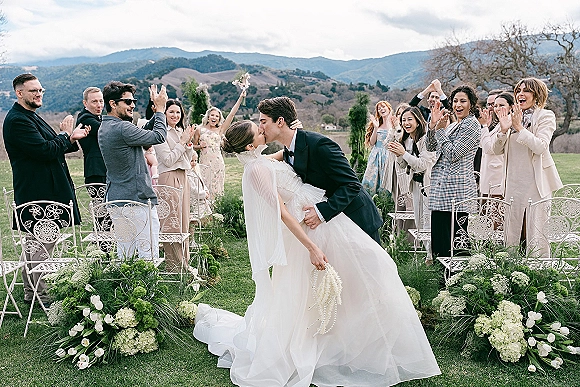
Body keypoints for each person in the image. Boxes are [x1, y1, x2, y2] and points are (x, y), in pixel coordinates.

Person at [194, 120, 441, 386]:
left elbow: (283, 156)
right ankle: (331, 342)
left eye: (262, 124)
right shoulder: (255, 170)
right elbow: (283, 214)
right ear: (252, 144)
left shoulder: (259, 159)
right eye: (258, 129)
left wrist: (292, 134)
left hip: (321, 214)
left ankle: (358, 336)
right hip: (308, 225)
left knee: (370, 265)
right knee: (326, 283)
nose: (262, 129)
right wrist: (311, 247)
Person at [3, 73, 89, 305]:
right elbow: (44, 150)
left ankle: (32, 294)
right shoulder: (18, 120)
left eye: (41, 90)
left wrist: (69, 138)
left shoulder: (31, 116)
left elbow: (54, 147)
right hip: (38, 192)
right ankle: (41, 295)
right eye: (33, 91)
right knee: (41, 246)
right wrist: (65, 136)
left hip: (44, 190)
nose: (39, 94)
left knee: (36, 245)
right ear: (19, 93)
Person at [257, 96, 383, 245]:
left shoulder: (319, 144)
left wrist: (321, 211)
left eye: (263, 122)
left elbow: (352, 184)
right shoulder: (289, 150)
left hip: (357, 218)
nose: (260, 128)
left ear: (280, 121)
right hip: (334, 227)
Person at [491, 77, 563, 256]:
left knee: (536, 233)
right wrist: (502, 130)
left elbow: (540, 146)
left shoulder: (546, 116)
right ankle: (513, 273)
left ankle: (539, 274)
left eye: (526, 91)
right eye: (518, 91)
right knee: (513, 235)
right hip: (513, 184)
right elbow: (495, 149)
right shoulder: (509, 117)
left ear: (537, 95)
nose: (520, 94)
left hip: (535, 183)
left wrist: (520, 128)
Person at [98, 81, 168, 260]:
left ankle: (125, 287)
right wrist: (160, 110)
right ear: (113, 104)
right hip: (136, 201)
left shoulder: (105, 126)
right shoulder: (122, 128)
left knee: (125, 252)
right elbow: (159, 136)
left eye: (134, 101)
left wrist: (154, 114)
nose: (133, 105)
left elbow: (141, 135)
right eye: (128, 102)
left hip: (116, 200)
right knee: (148, 251)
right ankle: (148, 288)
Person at [427, 84, 482, 258]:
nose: (458, 104)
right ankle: (440, 279)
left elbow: (453, 153)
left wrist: (441, 132)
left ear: (471, 104)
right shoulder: (452, 125)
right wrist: (434, 126)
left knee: (456, 242)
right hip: (441, 191)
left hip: (457, 192)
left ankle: (456, 280)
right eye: (455, 101)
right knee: (439, 240)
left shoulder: (472, 125)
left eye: (463, 101)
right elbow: (430, 146)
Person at [388, 106, 436, 263]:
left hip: (429, 186)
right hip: (415, 184)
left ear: (418, 120)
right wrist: (399, 155)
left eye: (410, 119)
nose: (406, 123)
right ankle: (428, 256)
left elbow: (422, 164)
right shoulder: (407, 139)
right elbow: (403, 165)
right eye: (403, 120)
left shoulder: (426, 138)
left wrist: (404, 154)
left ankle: (431, 256)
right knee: (419, 220)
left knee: (428, 220)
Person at [153, 99, 196, 272]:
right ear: (164, 114)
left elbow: (187, 156)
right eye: (171, 112)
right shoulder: (160, 133)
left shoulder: (180, 131)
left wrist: (189, 144)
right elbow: (168, 159)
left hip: (183, 175)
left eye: (178, 112)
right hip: (169, 177)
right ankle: (173, 265)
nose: (175, 115)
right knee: (172, 222)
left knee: (184, 221)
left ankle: (184, 263)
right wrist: (182, 142)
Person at [196, 89, 246, 201]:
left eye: (217, 116)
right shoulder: (199, 129)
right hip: (204, 163)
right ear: (208, 117)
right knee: (204, 188)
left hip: (217, 163)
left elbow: (232, 114)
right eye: (212, 115)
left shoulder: (220, 129)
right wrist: (199, 146)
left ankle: (216, 212)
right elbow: (192, 146)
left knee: (217, 189)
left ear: (219, 119)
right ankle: (205, 212)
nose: (214, 118)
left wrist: (240, 98)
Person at [361, 100, 396, 195]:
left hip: (389, 154)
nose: (381, 109)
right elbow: (372, 143)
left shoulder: (394, 122)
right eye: (379, 108)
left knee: (387, 179)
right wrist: (376, 128)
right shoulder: (377, 124)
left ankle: (385, 202)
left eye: (383, 107)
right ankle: (369, 199)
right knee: (370, 179)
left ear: (389, 108)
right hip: (376, 155)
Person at [480, 92, 511, 198]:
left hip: (496, 178)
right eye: (494, 105)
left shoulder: (509, 123)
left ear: (510, 107)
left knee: (494, 213)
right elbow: (481, 146)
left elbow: (489, 149)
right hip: (488, 177)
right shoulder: (496, 123)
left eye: (500, 105)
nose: (495, 108)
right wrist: (487, 127)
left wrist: (484, 127)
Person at [76, 87, 106, 185]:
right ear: (85, 103)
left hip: (102, 170)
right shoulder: (85, 119)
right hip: (96, 171)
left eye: (101, 101)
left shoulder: (97, 118)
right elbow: (106, 131)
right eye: (94, 102)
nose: (99, 105)